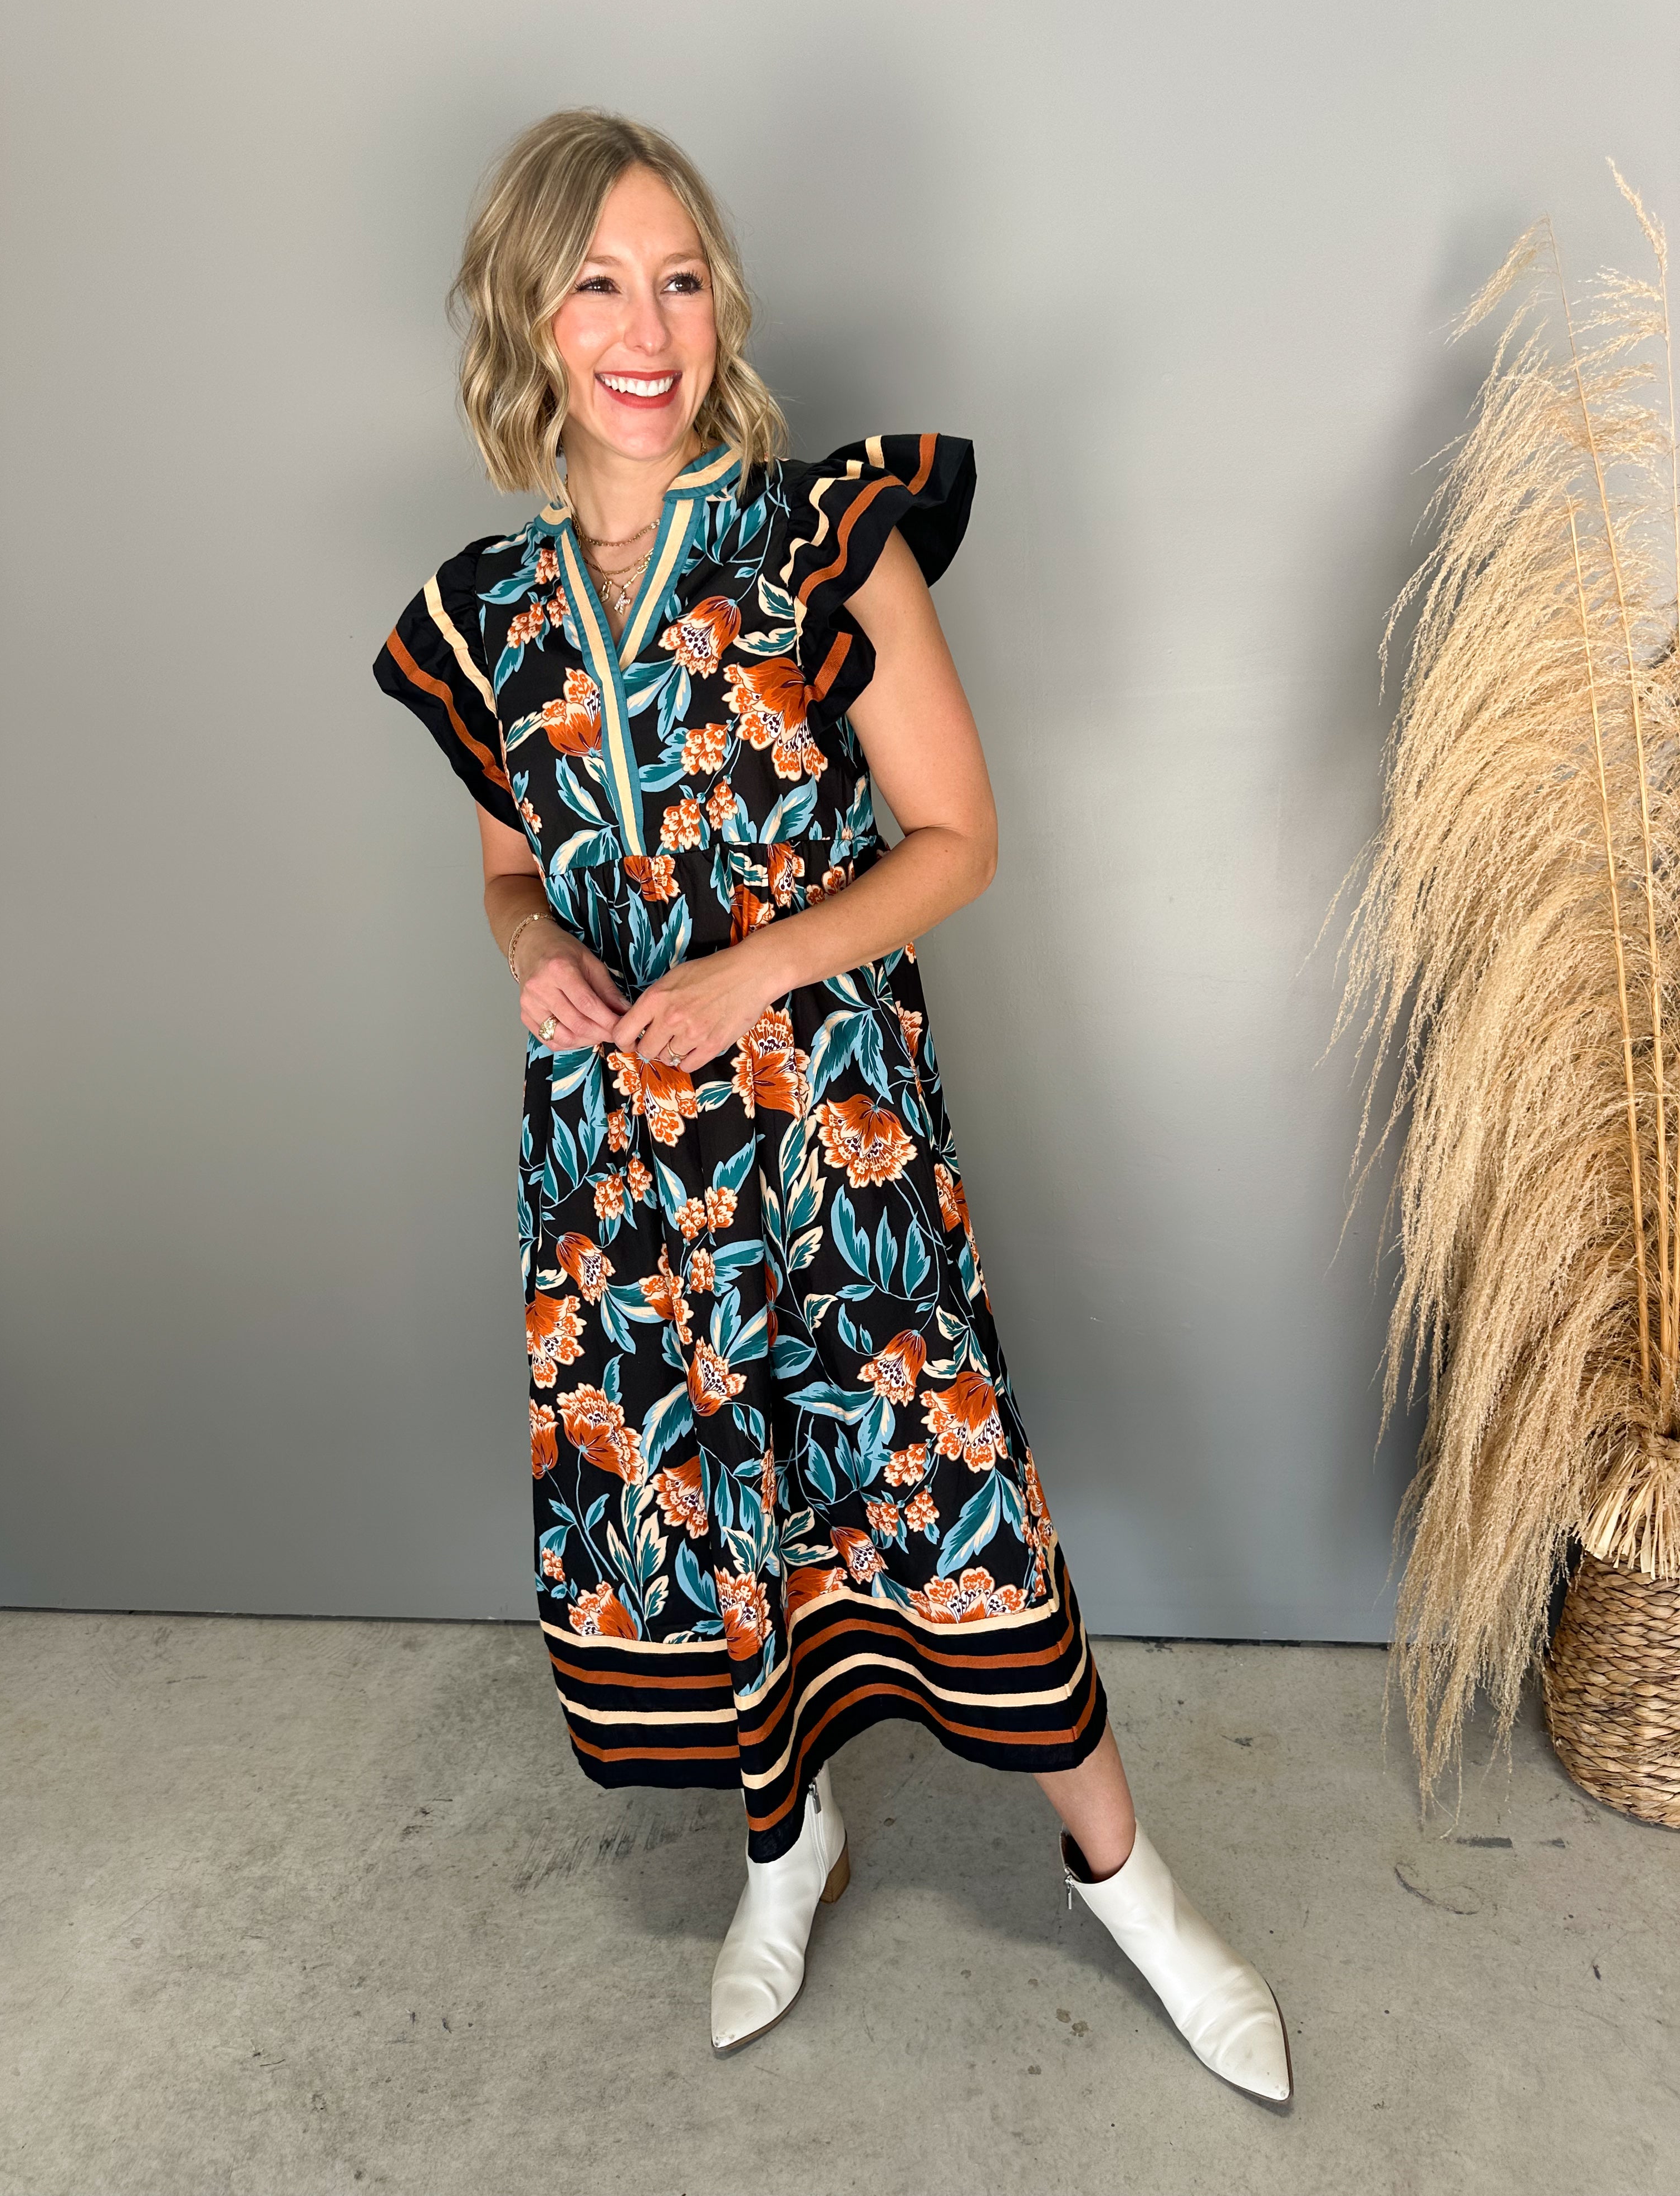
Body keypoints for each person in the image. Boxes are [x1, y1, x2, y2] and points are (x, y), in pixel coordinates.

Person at [373, 107, 1291, 2101]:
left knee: (947, 1496)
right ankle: (787, 1853)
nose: (648, 331)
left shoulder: (822, 542)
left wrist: (758, 970)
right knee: (721, 1524)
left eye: (681, 280)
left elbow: (959, 837)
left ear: (723, 305)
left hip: (832, 1143)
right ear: (525, 318)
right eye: (598, 284)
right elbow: (509, 871)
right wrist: (532, 953)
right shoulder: (487, 614)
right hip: (624, 1171)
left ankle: (1132, 1884)